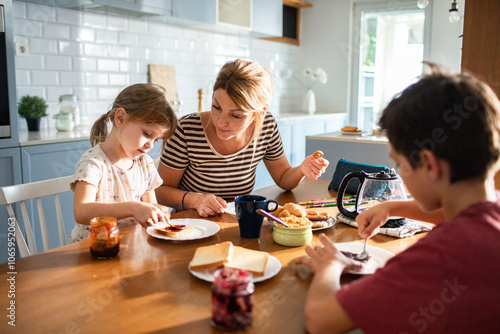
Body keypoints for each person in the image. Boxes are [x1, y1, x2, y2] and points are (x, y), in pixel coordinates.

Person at [296, 65, 500, 333]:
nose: (401, 174)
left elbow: (319, 319)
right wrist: (391, 207)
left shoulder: (437, 259)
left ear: (429, 163)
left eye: (400, 165)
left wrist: (330, 267)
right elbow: (457, 214)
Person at [156, 59, 329, 217]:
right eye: (216, 107)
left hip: (236, 220)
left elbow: (283, 177)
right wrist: (195, 200)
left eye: (236, 115)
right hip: (192, 224)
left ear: (259, 112)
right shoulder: (187, 129)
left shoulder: (265, 126)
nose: (221, 121)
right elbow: (160, 190)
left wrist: (301, 170)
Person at [70, 83, 177, 242]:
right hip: (94, 249)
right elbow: (81, 211)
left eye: (156, 140)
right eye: (147, 134)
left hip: (130, 247)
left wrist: (158, 212)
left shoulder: (144, 164)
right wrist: (133, 208)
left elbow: (151, 206)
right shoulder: (94, 163)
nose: (150, 145)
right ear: (120, 118)